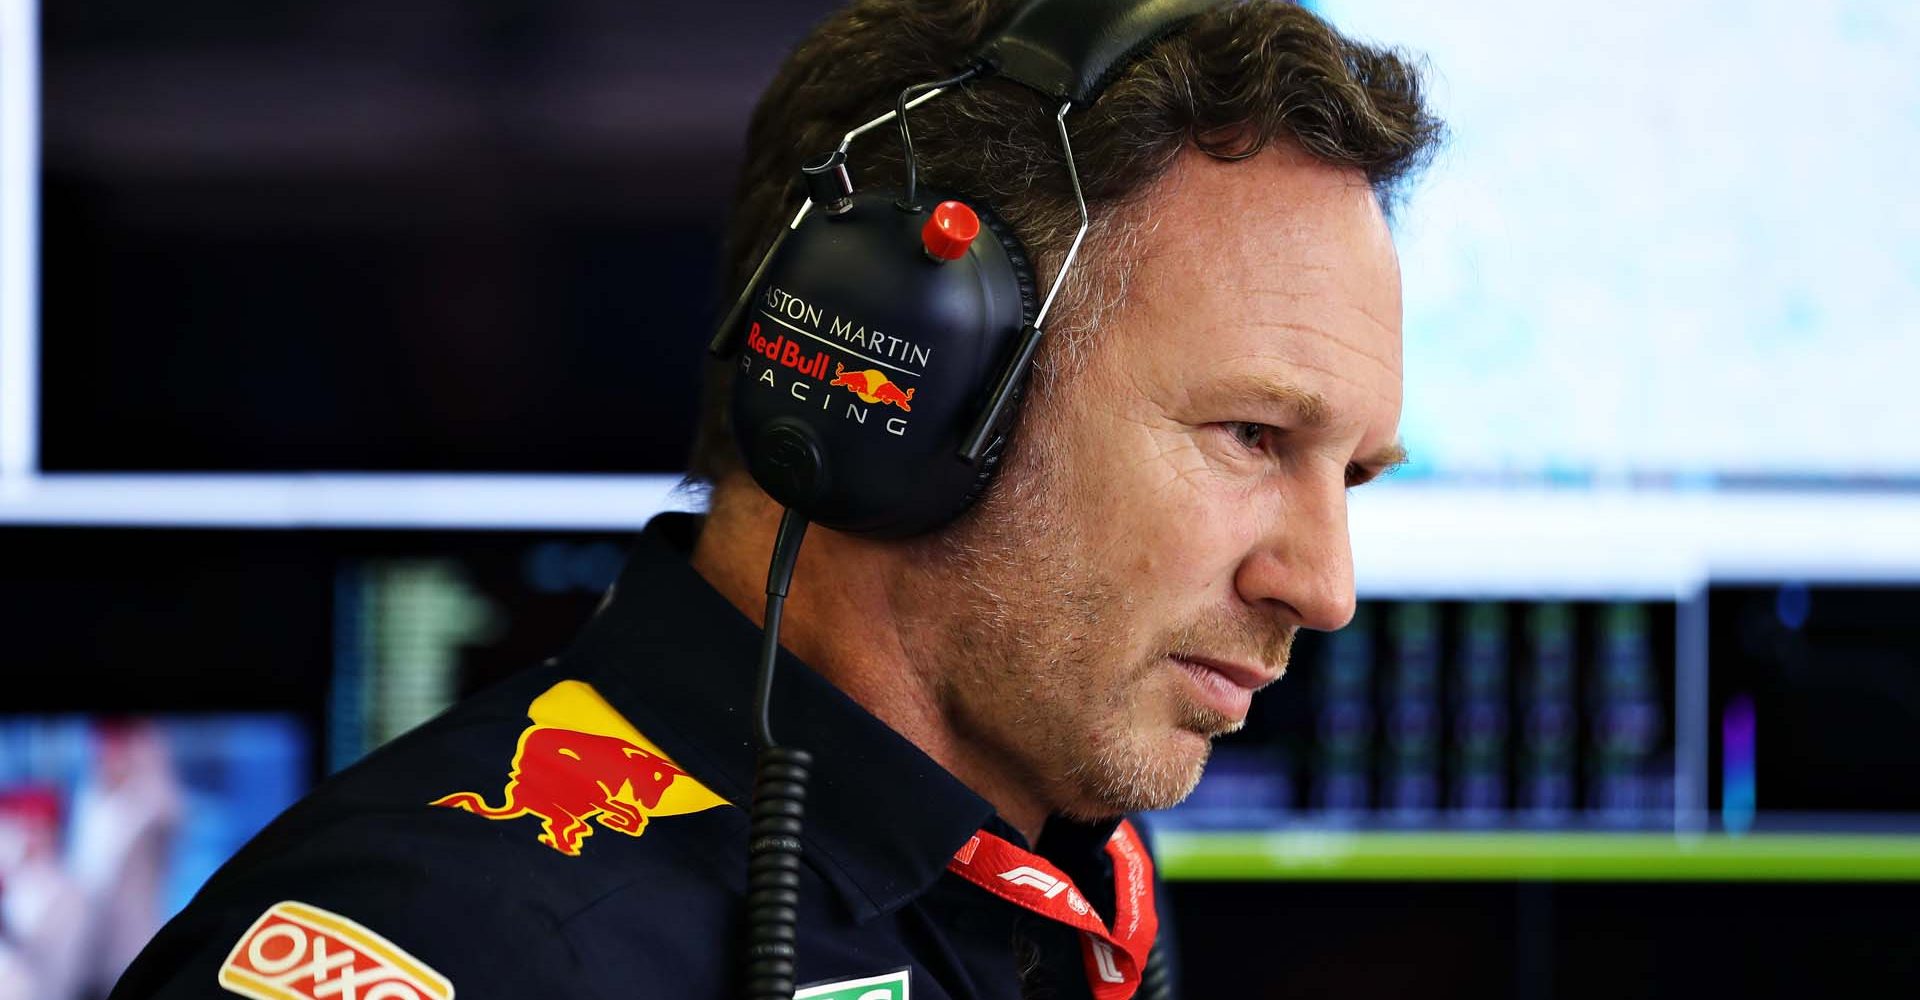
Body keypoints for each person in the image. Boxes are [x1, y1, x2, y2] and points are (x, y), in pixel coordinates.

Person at [109, 1, 1440, 998]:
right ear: (901, 377)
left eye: (1353, 475)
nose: (1324, 587)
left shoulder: (1066, 893)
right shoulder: (459, 953)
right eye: (1254, 434)